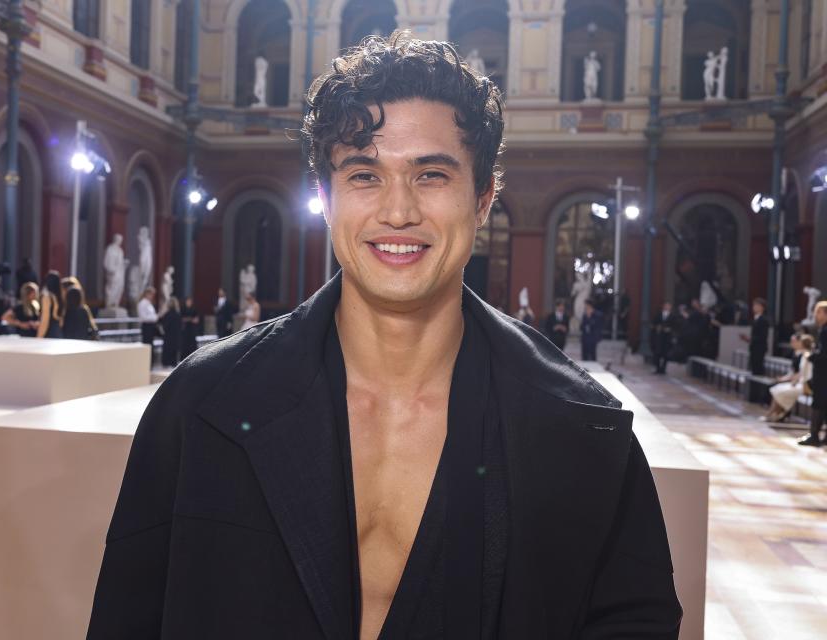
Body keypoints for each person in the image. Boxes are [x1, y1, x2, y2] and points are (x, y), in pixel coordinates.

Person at [88, 32, 681, 639]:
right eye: (365, 175)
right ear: (324, 197)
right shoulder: (203, 405)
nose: (398, 212)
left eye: (431, 175)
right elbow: (126, 618)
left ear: (483, 200)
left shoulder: (580, 430)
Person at [763, 334, 814, 422]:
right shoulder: (803, 356)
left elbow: (804, 374)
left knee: (779, 390)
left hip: (804, 385)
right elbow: (797, 372)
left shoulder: (807, 356)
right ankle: (776, 414)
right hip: (799, 382)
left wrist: (793, 380)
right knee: (777, 388)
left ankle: (775, 414)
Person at [799, 301, 827, 447]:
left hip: (823, 375)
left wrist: (811, 356)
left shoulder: (825, 331)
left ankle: (814, 436)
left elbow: (824, 355)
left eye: (818, 312)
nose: (816, 315)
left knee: (818, 404)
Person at [740, 298, 769, 376]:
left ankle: (758, 387)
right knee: (754, 368)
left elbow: (762, 336)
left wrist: (750, 339)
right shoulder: (755, 319)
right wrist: (748, 339)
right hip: (754, 347)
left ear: (762, 307)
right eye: (754, 305)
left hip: (759, 348)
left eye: (756, 305)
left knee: (758, 368)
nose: (754, 307)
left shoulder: (763, 320)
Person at [651, 301, 679, 374]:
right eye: (666, 305)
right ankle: (658, 368)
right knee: (657, 353)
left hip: (667, 338)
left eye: (668, 306)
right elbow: (653, 324)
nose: (667, 307)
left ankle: (663, 369)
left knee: (666, 353)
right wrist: (656, 328)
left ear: (670, 307)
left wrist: (670, 329)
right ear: (663, 306)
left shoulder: (673, 316)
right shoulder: (658, 314)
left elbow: (676, 326)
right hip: (659, 337)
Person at [37, 271, 64, 339]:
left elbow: (45, 320)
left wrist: (39, 337)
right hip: (58, 332)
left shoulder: (47, 297)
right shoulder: (60, 297)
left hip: (48, 334)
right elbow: (61, 321)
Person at [159, 297, 182, 367]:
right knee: (174, 353)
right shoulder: (178, 314)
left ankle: (166, 363)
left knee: (167, 351)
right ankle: (173, 364)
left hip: (168, 336)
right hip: (176, 336)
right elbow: (180, 326)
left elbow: (164, 326)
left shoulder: (167, 314)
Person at [138, 286, 159, 364]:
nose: (152, 296)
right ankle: (146, 363)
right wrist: (154, 317)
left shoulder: (149, 304)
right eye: (151, 294)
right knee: (147, 345)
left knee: (151, 345)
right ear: (147, 294)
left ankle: (151, 363)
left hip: (151, 326)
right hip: (146, 326)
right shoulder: (142, 303)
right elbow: (143, 317)